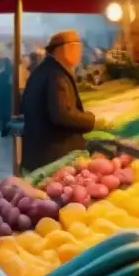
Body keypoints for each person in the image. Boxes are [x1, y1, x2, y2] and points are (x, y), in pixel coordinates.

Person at [20, 30, 96, 172]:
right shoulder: (57, 76)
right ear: (64, 49)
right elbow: (62, 115)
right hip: (52, 157)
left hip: (39, 153)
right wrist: (91, 120)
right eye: (76, 48)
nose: (79, 53)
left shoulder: (42, 70)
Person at [0, 57, 14, 137]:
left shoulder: (2, 74)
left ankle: (4, 130)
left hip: (3, 97)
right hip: (8, 97)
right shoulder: (11, 74)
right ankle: (6, 129)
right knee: (6, 115)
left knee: (4, 115)